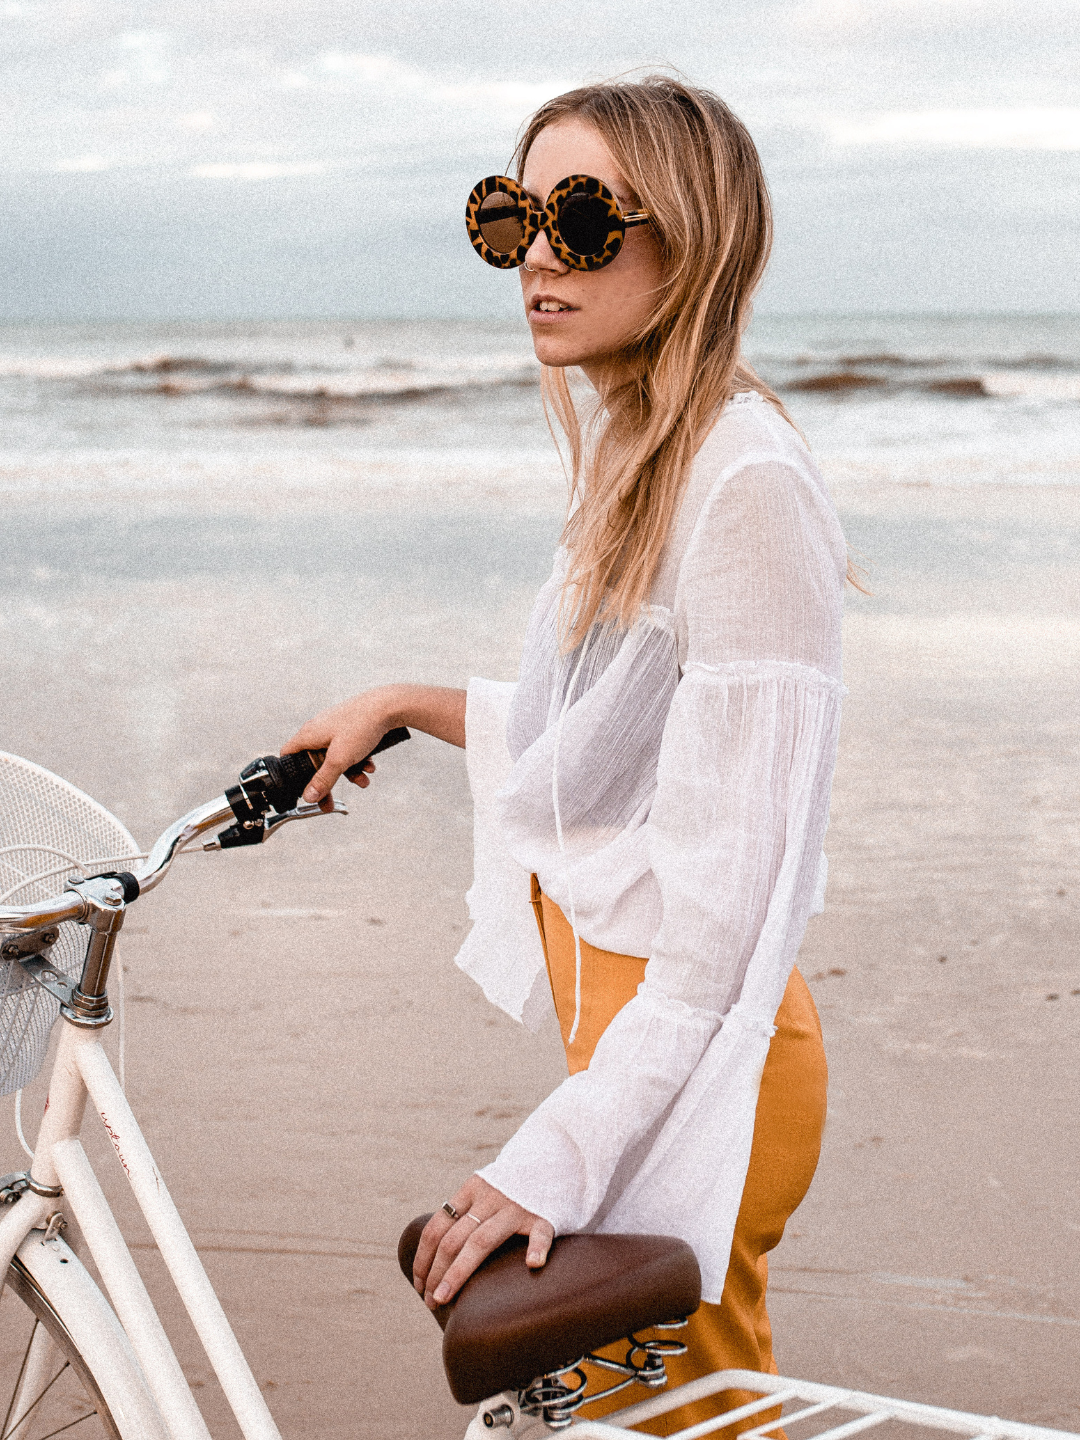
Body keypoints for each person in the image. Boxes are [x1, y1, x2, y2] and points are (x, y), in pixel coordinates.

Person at [283, 75, 850, 1436]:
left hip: (703, 1060)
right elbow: (611, 731)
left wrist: (561, 1154)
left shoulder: (745, 487)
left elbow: (725, 930)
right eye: (515, 213)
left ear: (695, 237)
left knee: (694, 1421)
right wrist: (411, 700)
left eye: (586, 218)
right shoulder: (644, 453)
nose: (539, 251)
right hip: (638, 1041)